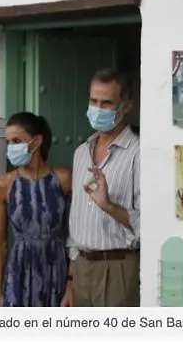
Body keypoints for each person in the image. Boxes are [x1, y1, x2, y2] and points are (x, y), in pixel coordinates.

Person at [61, 68, 141, 307]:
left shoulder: (138, 154)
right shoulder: (81, 152)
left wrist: (108, 206)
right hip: (81, 268)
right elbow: (77, 223)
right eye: (93, 101)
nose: (98, 109)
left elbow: (150, 225)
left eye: (106, 103)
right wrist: (70, 279)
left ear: (126, 106)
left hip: (117, 267)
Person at [0, 112, 72, 307]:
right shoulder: (4, 184)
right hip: (19, 268)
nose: (11, 148)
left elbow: (77, 234)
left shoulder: (64, 179)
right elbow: (0, 243)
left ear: (36, 141)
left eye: (17, 141)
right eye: (8, 142)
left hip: (56, 268)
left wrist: (72, 283)